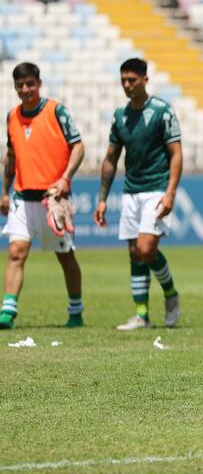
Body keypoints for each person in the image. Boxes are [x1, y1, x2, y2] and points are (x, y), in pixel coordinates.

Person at [94, 58, 182, 330]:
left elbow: (176, 154)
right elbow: (111, 158)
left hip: (156, 188)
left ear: (145, 79)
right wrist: (102, 198)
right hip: (131, 191)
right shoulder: (120, 116)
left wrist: (170, 194)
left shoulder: (162, 111)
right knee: (134, 253)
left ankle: (170, 293)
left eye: (132, 80)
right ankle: (141, 315)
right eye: (123, 80)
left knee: (146, 248)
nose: (127, 85)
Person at [0, 63, 85, 329]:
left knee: (65, 257)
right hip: (22, 198)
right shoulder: (12, 116)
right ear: (15, 88)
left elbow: (78, 147)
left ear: (39, 83)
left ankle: (75, 311)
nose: (26, 90)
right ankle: (8, 312)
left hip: (52, 200)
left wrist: (64, 179)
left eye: (30, 84)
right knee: (16, 251)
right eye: (20, 85)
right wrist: (4, 191)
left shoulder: (56, 110)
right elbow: (11, 156)